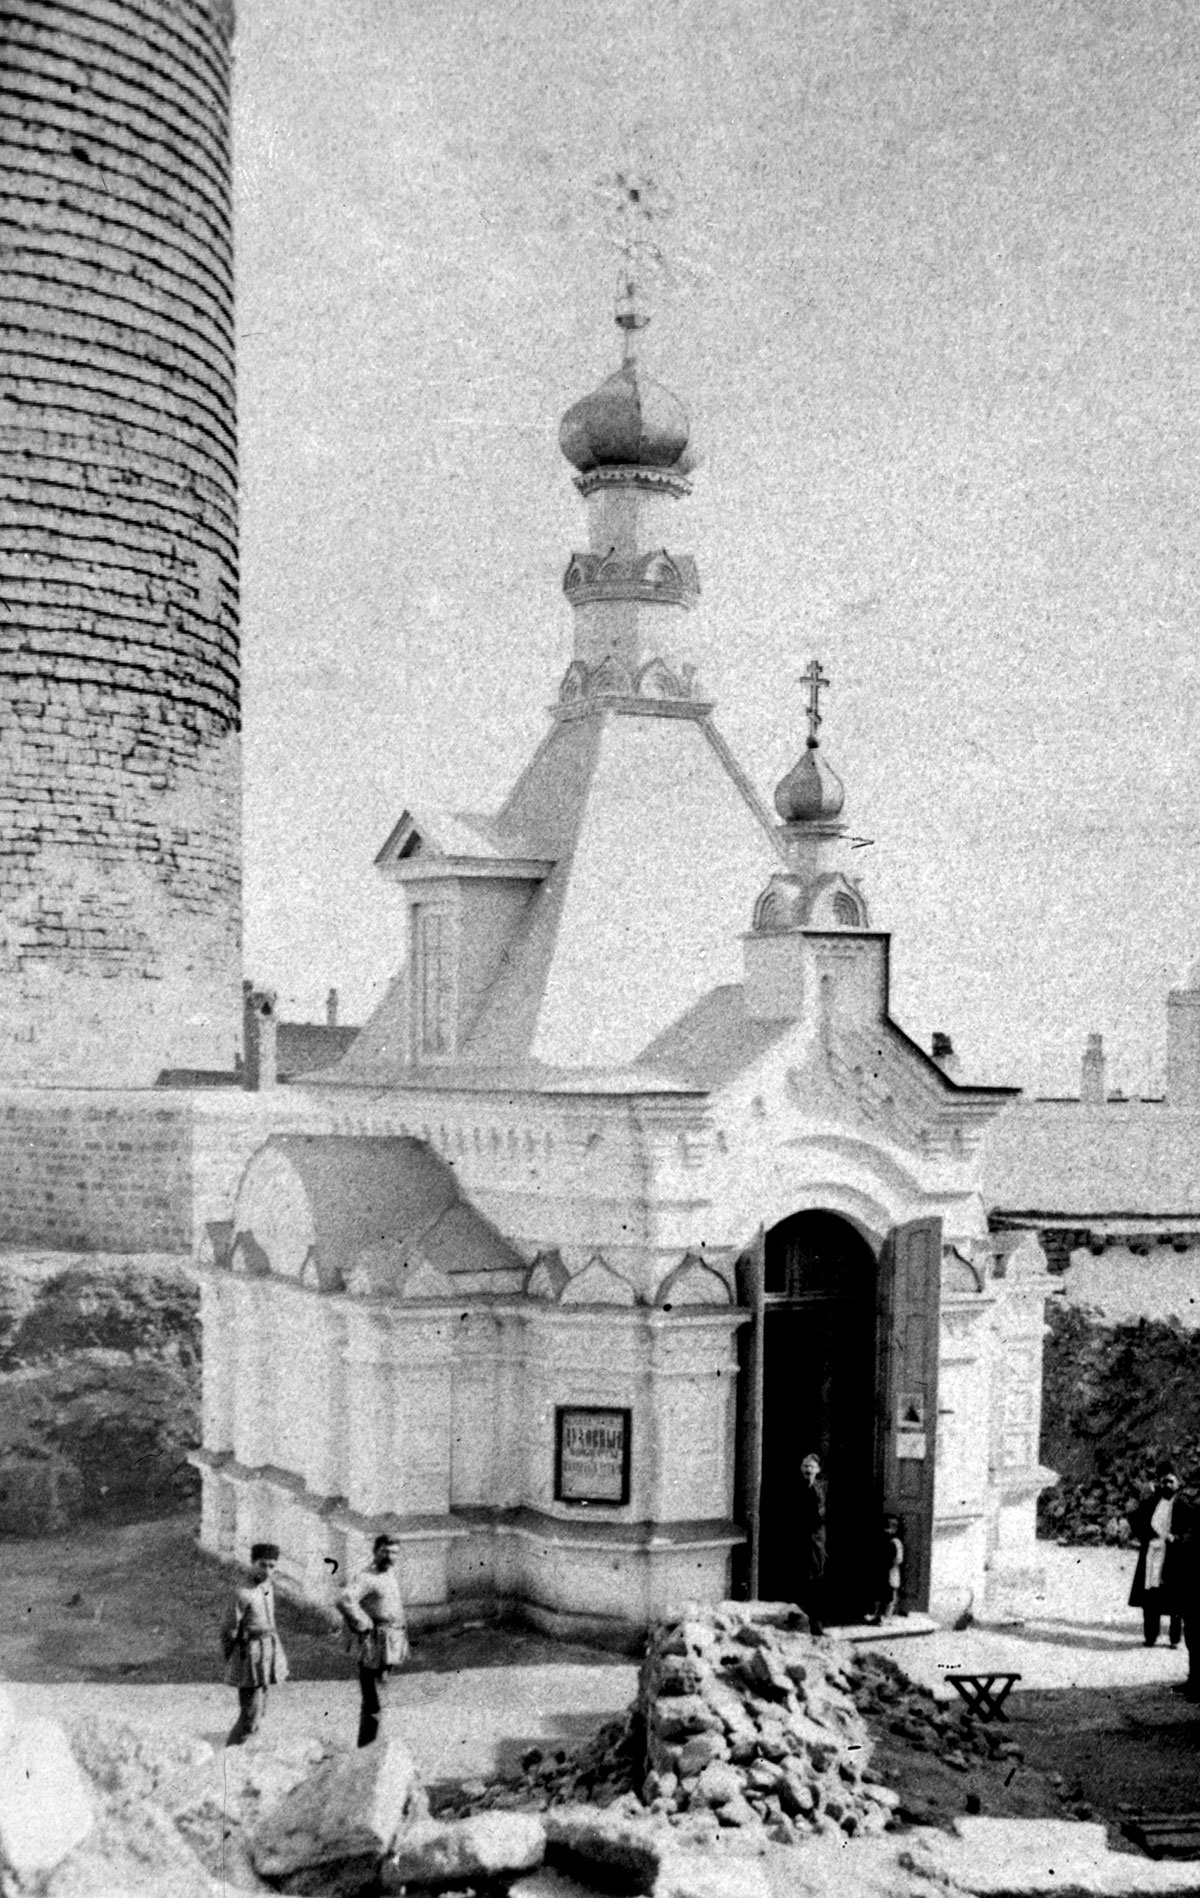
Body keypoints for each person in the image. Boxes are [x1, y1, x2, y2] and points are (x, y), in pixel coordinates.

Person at [337, 1532, 409, 1747]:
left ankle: (374, 1745)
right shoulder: (366, 1577)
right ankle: (367, 1747)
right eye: (385, 1551)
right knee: (374, 1699)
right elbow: (345, 1599)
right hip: (375, 1644)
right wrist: (363, 1623)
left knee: (381, 1694)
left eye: (395, 1552)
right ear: (375, 1552)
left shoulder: (389, 1574)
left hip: (390, 1642)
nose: (390, 1557)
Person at [222, 1542, 288, 1746]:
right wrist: (234, 1661)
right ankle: (230, 1755)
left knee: (261, 1709)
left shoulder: (268, 1587)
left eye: (271, 1566)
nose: (267, 1571)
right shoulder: (242, 1593)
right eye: (262, 1565)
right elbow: (229, 1630)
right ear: (252, 1563)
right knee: (250, 1714)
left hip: (268, 1649)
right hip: (250, 1654)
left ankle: (248, 1751)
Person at [1128, 1464, 1184, 1647]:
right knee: (1151, 1596)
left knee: (1175, 1597)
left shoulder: (1184, 1507)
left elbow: (1191, 1530)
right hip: (1152, 1554)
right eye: (1163, 1481)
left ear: (1177, 1483)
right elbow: (1136, 1521)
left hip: (1173, 1555)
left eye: (1170, 1481)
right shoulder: (1150, 1503)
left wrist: (1176, 1538)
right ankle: (1150, 1636)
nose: (1167, 1485)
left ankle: (1175, 1638)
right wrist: (1147, 1534)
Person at [794, 1452, 827, 1636]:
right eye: (805, 1466)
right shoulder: (797, 1488)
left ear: (818, 1470)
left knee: (815, 1578)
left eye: (812, 1466)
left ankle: (815, 1622)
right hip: (800, 1539)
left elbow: (819, 1517)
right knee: (800, 1578)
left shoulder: (820, 1489)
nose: (808, 1469)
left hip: (814, 1540)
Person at [866, 1513, 905, 1624]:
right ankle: (885, 1617)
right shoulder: (895, 1542)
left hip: (885, 1571)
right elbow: (899, 1559)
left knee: (883, 1595)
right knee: (890, 1596)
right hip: (890, 1571)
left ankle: (880, 1615)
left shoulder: (887, 1540)